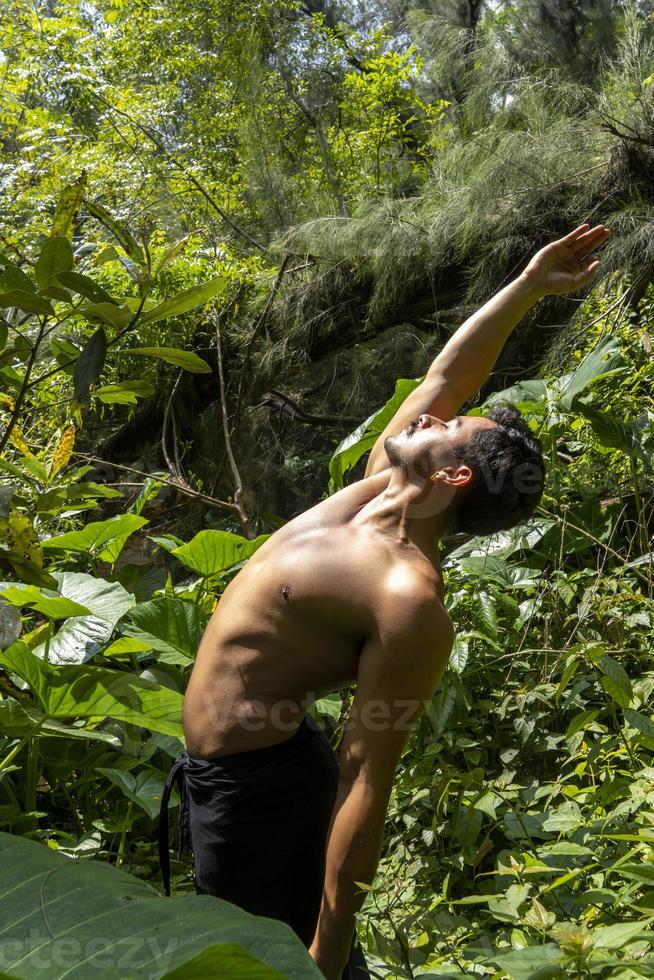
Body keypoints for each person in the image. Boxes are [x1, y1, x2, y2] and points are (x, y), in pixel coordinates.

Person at [159, 222, 610, 980]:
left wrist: (329, 952)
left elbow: (366, 784)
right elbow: (446, 375)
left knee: (271, 968)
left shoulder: (407, 599)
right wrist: (529, 286)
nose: (430, 414)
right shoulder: (378, 486)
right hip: (235, 782)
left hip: (262, 798)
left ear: (457, 476)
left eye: (450, 427)